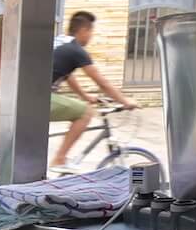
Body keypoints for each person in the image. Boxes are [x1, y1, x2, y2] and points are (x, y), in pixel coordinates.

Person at [51, 10, 138, 173]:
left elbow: (67, 75)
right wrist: (125, 101)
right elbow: (101, 82)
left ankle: (60, 160)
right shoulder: (76, 50)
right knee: (85, 113)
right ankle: (59, 159)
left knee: (83, 107)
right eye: (91, 32)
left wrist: (85, 96)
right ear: (84, 30)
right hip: (39, 99)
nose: (91, 37)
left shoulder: (62, 41)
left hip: (31, 95)